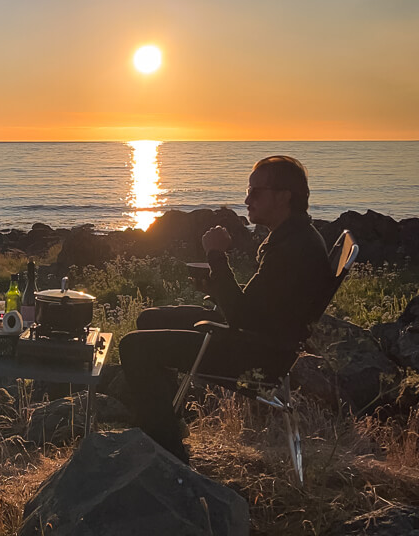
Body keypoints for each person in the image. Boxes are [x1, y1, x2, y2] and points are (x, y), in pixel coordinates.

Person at [118, 156, 333, 463]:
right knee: (148, 319)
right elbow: (256, 309)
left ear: (284, 196)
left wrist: (217, 256)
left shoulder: (293, 250)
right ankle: (167, 424)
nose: (247, 199)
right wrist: (216, 286)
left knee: (134, 347)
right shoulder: (295, 238)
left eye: (256, 192)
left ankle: (169, 456)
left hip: (253, 360)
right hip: (256, 339)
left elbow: (243, 316)